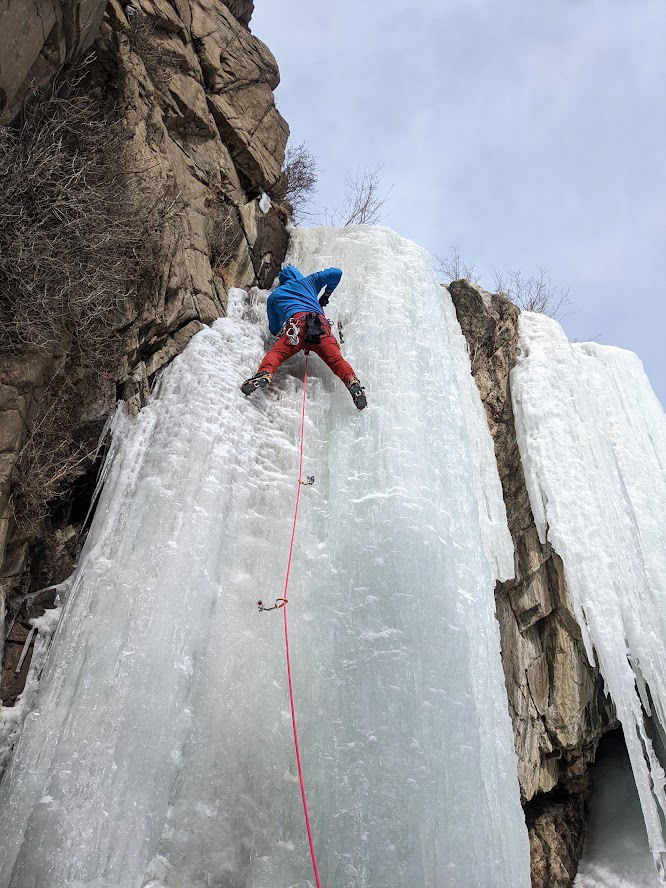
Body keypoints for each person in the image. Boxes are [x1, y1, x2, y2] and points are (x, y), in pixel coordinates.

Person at [240, 265, 367, 410]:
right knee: (336, 360)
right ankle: (352, 382)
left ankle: (264, 374)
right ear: (298, 275)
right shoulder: (309, 282)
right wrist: (326, 295)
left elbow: (274, 329)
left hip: (296, 327)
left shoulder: (275, 296)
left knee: (276, 354)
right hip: (321, 328)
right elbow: (337, 273)